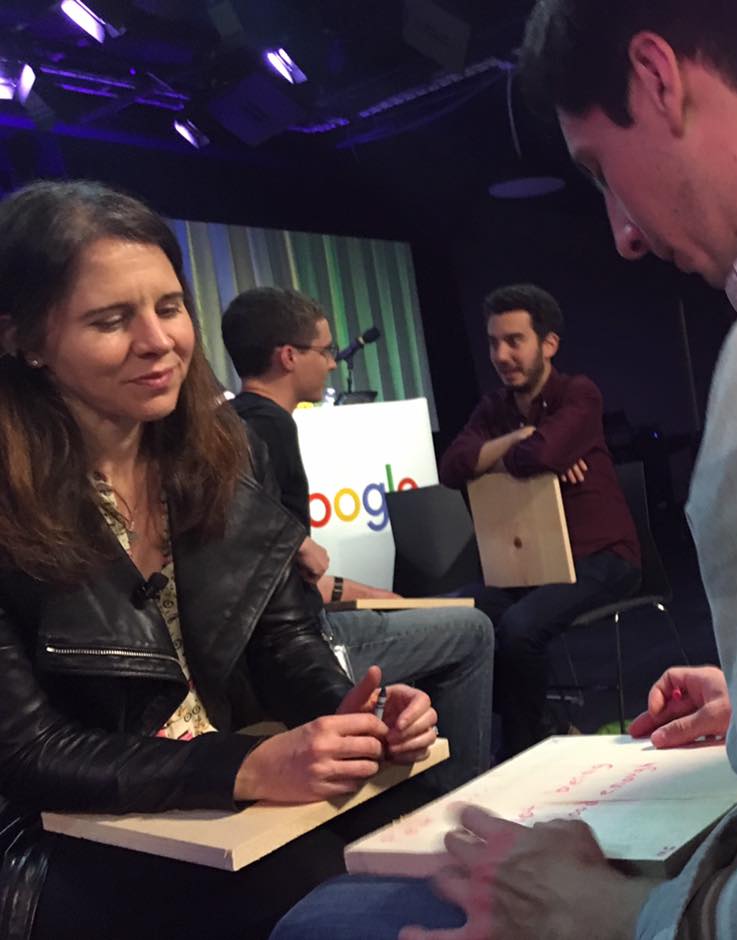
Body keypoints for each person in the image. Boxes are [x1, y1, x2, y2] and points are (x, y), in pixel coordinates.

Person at [271, 0, 737, 937]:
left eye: (601, 169)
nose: (622, 233)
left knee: (323, 923)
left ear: (659, 79)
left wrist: (613, 912)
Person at [0, 180, 443, 940]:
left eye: (169, 308)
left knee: (438, 855)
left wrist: (353, 712)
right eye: (111, 320)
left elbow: (281, 641)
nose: (158, 341)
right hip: (60, 837)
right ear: (24, 341)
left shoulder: (218, 455)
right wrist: (241, 766)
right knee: (332, 904)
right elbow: (28, 753)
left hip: (222, 805)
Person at [221, 286, 495, 794]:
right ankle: (460, 799)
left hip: (280, 641)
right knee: (474, 631)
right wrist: (364, 595)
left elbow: (283, 570)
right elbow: (284, 584)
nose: (330, 364)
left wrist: (362, 594)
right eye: (324, 351)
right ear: (288, 356)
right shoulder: (270, 431)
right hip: (299, 648)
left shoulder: (232, 428)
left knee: (403, 616)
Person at [438, 283, 643, 757]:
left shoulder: (579, 393)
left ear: (548, 344)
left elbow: (543, 452)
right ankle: (544, 728)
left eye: (515, 341)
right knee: (460, 618)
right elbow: (453, 467)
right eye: (493, 342)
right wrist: (518, 440)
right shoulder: (496, 410)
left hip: (603, 556)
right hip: (532, 563)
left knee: (519, 629)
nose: (501, 354)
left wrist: (529, 449)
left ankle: (524, 753)